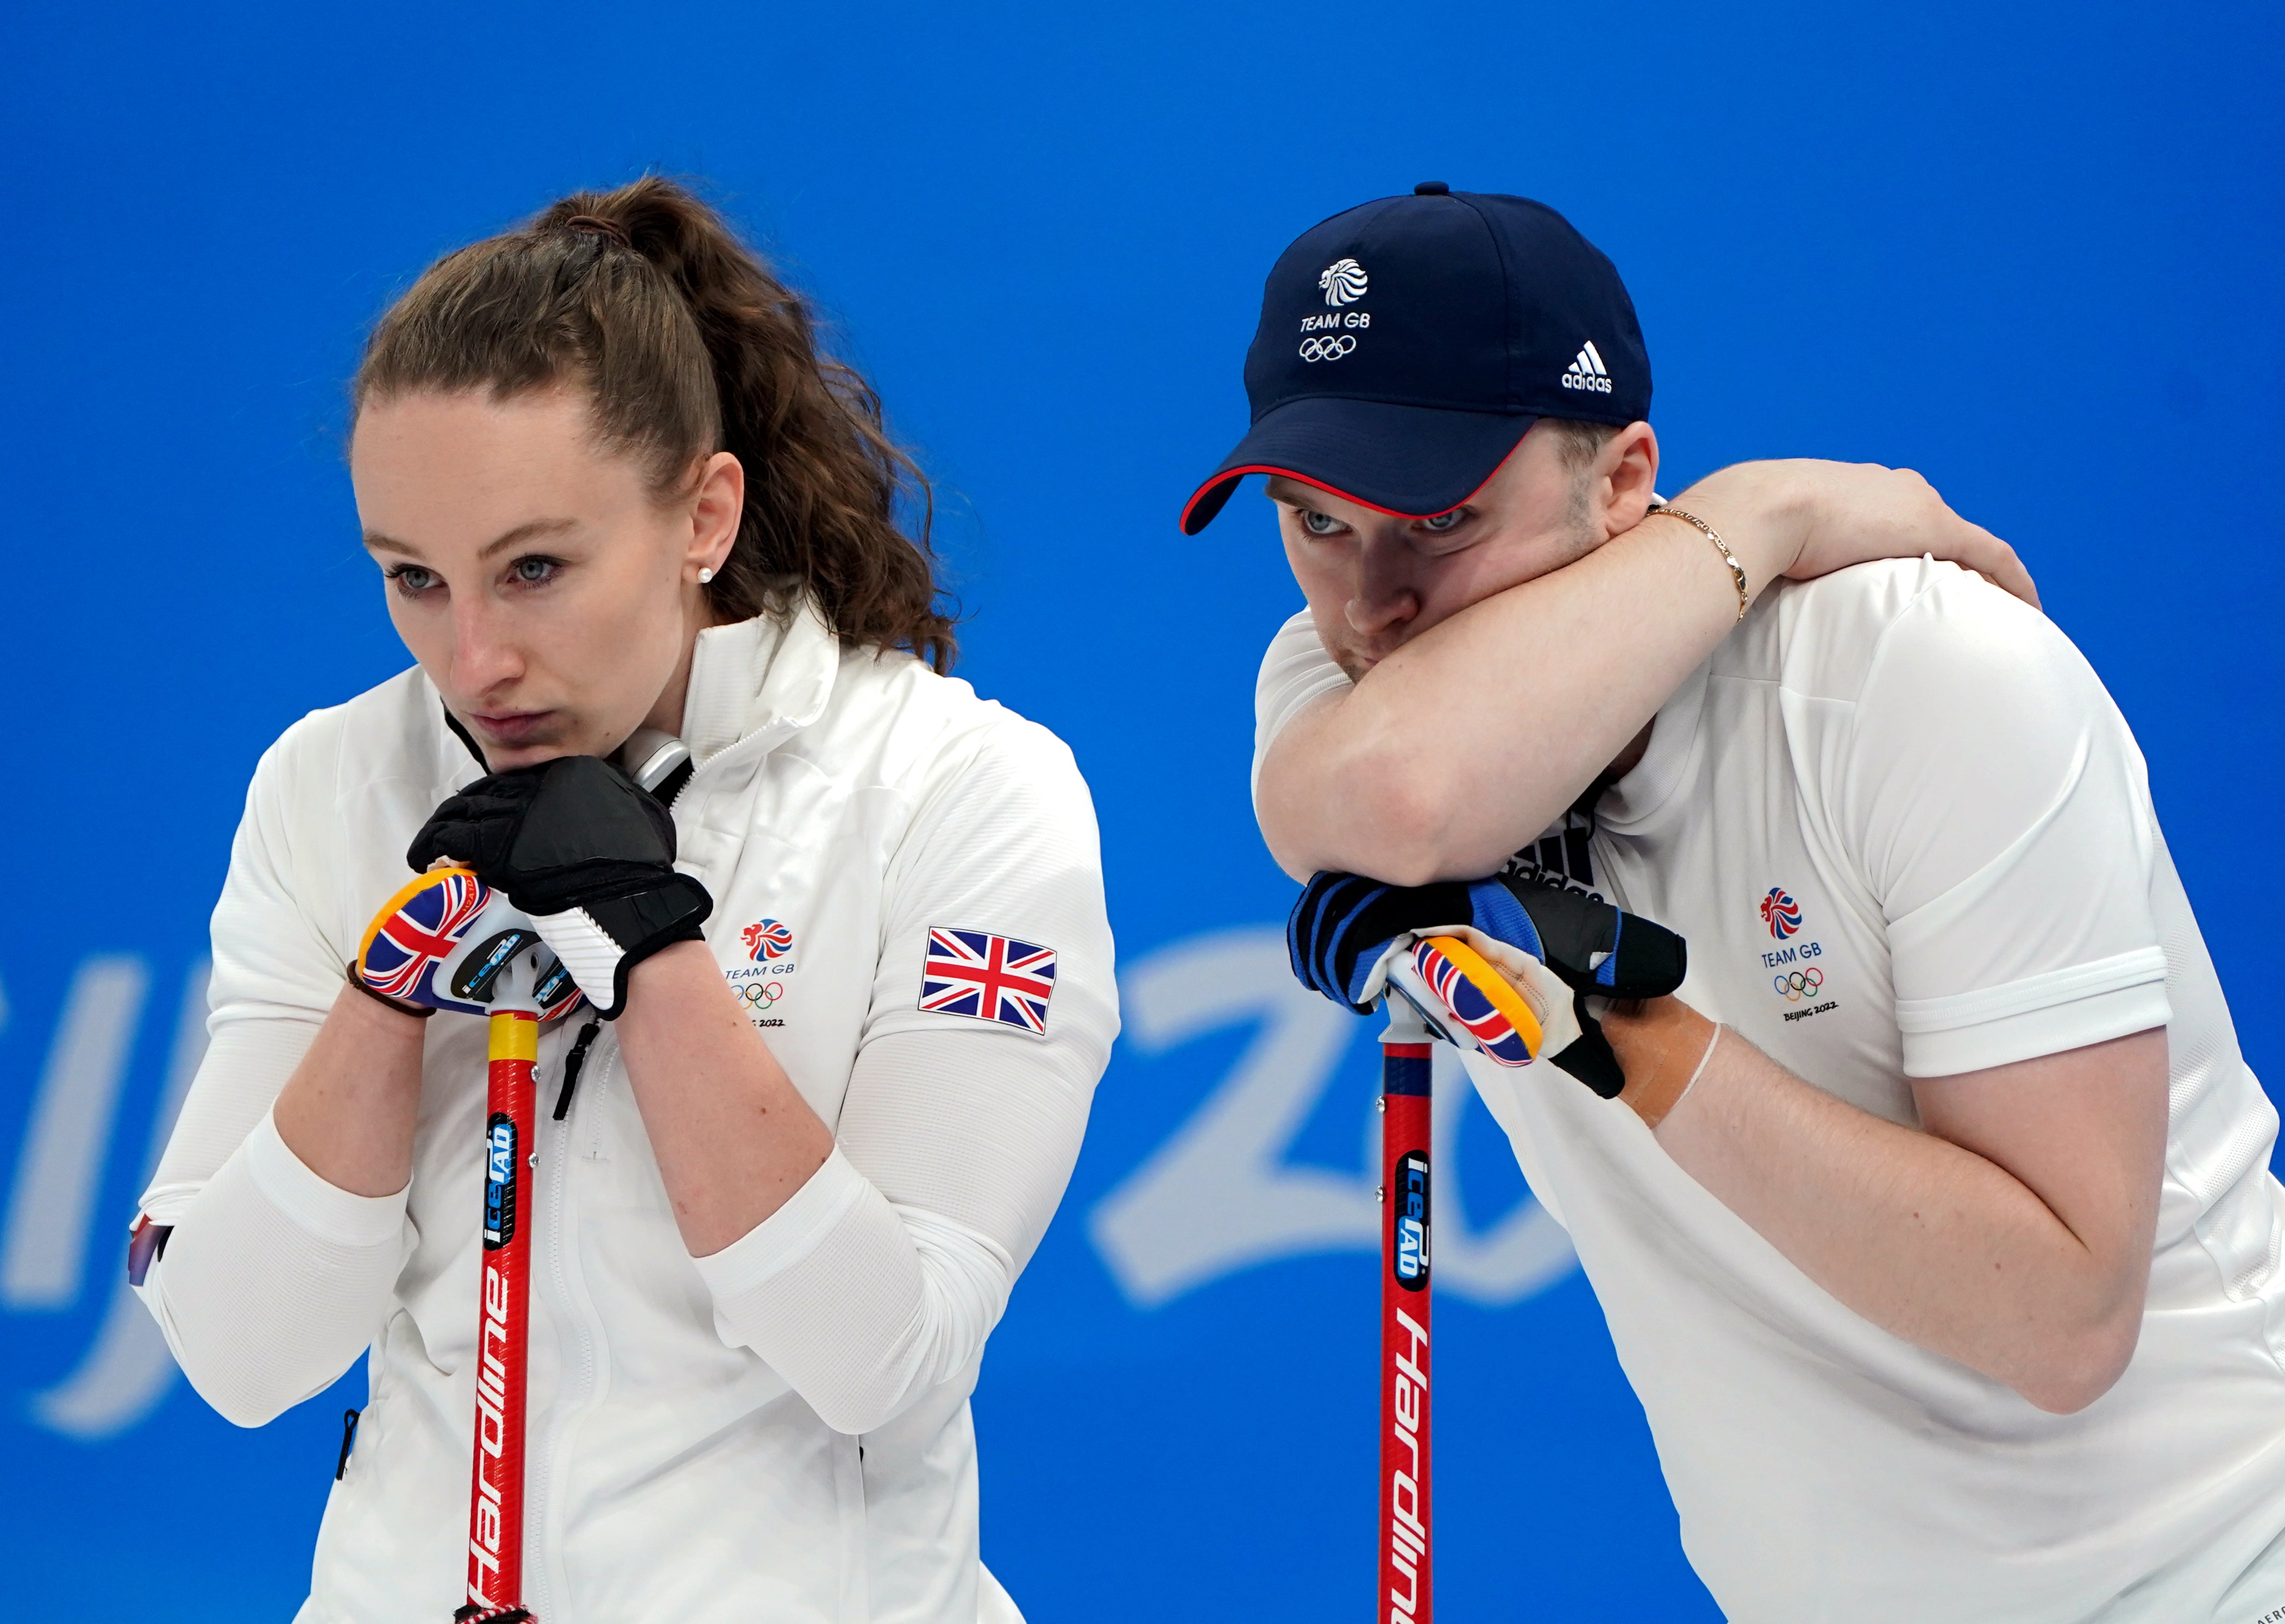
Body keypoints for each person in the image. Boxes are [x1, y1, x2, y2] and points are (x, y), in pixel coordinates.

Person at [1196, 184, 2285, 1620]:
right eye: (1314, 521)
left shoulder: (1917, 675)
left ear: (1626, 477)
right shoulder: (1343, 698)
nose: (1372, 602)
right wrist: (1771, 507)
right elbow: (1401, 796)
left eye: (1444, 514)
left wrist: (1604, 1034)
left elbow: (2063, 1315)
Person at [128, 178, 1116, 1623]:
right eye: (413, 580)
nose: (473, 662)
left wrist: (653, 943)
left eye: (535, 569)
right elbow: (239, 1353)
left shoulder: (953, 784)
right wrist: (391, 983)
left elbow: (878, 1360)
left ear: (703, 512)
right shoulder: (334, 780)